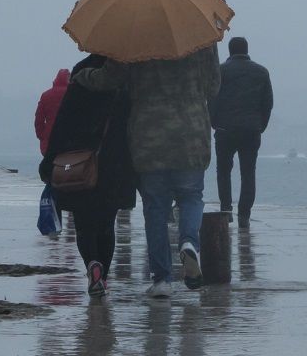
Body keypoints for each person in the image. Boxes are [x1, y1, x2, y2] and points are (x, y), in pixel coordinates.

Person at [75, 42, 219, 296]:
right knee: (191, 197)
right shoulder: (201, 37)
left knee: (155, 208)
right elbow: (213, 86)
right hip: (191, 134)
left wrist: (82, 75)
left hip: (149, 136)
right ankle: (189, 243)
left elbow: (111, 77)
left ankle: (162, 280)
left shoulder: (137, 35)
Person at [41, 56, 137, 293]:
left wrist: (49, 160)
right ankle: (103, 276)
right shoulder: (125, 80)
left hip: (80, 162)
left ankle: (92, 265)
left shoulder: (81, 74)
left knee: (84, 224)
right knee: (106, 224)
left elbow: (62, 122)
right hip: (115, 164)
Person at [210, 37, 274, 224]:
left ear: (230, 51)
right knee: (248, 172)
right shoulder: (261, 72)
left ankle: (226, 209)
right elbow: (268, 103)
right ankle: (244, 214)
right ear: (246, 50)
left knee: (223, 170)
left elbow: (212, 99)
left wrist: (214, 122)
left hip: (225, 129)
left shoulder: (221, 71)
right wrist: (261, 126)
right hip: (251, 130)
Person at [34, 68, 71, 153]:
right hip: (68, 140)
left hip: (49, 140)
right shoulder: (72, 94)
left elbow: (39, 119)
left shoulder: (46, 95)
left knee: (50, 160)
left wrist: (42, 136)